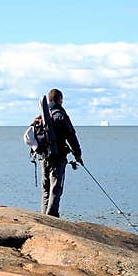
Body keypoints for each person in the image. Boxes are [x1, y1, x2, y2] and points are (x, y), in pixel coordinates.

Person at [38, 88, 83, 217]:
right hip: (57, 157)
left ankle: (44, 216)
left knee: (46, 190)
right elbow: (71, 136)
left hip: (43, 157)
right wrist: (78, 154)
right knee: (56, 189)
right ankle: (52, 217)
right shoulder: (60, 115)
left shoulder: (42, 116)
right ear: (60, 100)